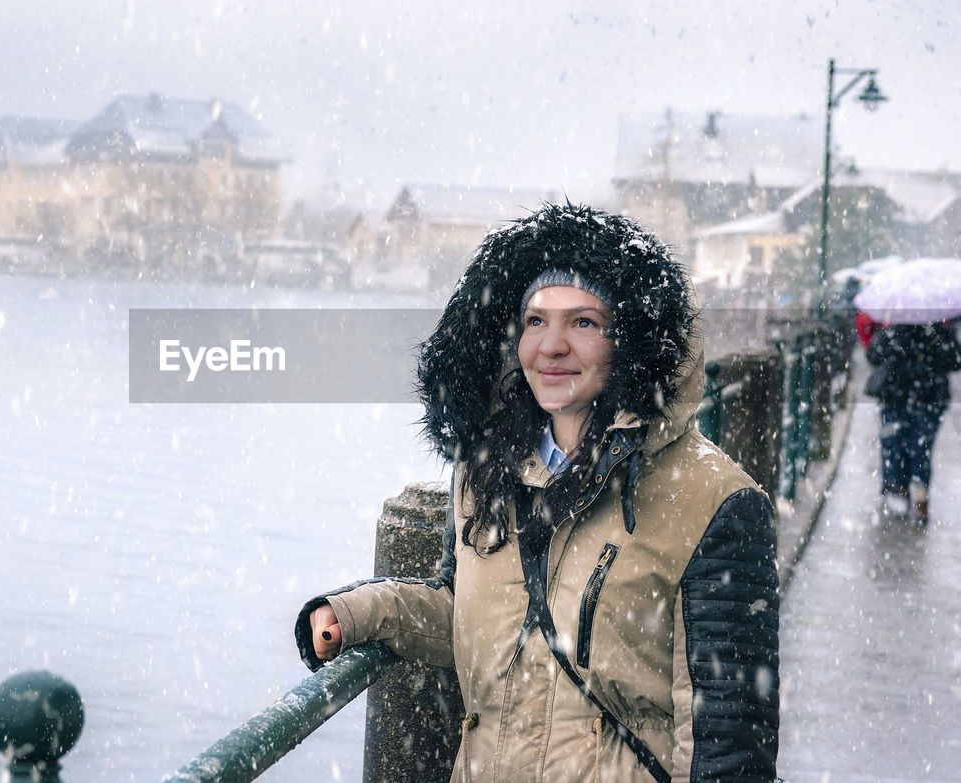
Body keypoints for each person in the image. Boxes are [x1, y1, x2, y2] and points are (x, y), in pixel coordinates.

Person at [294, 202, 779, 782]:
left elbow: (726, 744)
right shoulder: (486, 470)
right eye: (534, 321)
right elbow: (472, 614)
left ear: (632, 343)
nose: (550, 347)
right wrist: (355, 614)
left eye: (584, 323)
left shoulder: (713, 502)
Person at [865, 320, 961, 523]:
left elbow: (873, 354)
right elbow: (873, 354)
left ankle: (907, 495)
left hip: (912, 399)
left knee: (905, 447)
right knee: (912, 448)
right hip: (911, 398)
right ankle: (910, 496)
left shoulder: (903, 331)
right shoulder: (932, 332)